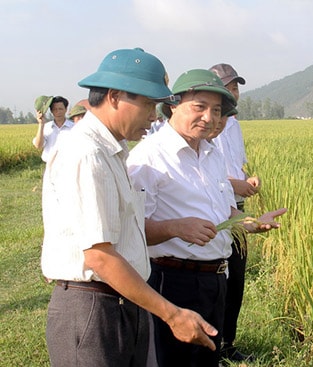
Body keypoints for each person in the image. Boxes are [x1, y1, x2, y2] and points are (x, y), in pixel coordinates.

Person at [40, 48, 217, 367]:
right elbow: (100, 256)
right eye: (149, 104)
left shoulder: (113, 152)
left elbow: (126, 236)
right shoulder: (87, 153)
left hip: (123, 300)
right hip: (93, 308)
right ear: (115, 96)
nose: (154, 115)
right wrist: (172, 314)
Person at [127, 68, 287, 367]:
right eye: (199, 107)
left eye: (216, 110)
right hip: (171, 281)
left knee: (206, 360)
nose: (209, 117)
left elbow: (222, 209)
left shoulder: (211, 153)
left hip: (214, 280)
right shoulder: (149, 158)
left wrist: (248, 223)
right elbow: (130, 231)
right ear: (173, 105)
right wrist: (175, 228)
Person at [209, 63, 260, 362]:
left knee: (236, 278)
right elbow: (205, 174)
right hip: (214, 211)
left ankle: (228, 342)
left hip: (236, 209)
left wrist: (248, 180)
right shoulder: (209, 127)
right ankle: (211, 344)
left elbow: (236, 167)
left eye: (235, 87)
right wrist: (236, 184)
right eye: (227, 87)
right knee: (218, 279)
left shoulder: (235, 125)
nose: (233, 93)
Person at [32, 95, 74, 162]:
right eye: (55, 109)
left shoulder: (74, 127)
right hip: (50, 166)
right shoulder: (46, 127)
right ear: (51, 111)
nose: (58, 112)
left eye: (60, 109)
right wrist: (41, 124)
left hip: (70, 165)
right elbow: (38, 145)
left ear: (66, 109)